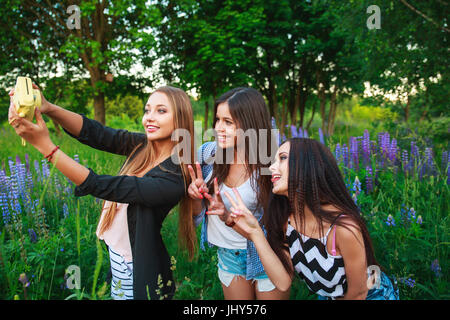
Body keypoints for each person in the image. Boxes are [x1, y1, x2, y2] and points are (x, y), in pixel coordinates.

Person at [8, 84, 196, 300]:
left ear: (181, 119)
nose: (149, 118)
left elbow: (104, 186)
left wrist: (46, 147)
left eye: (161, 111)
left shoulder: (175, 176)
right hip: (118, 258)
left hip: (136, 269)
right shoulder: (145, 146)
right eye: (147, 110)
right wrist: (48, 107)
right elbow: (97, 133)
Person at [225, 138, 399, 300]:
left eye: (283, 158)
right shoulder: (287, 221)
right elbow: (283, 282)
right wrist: (255, 233)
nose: (271, 167)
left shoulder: (344, 228)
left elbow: (359, 292)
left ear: (307, 166)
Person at [186, 87, 289, 300]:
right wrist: (195, 197)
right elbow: (197, 218)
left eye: (229, 122)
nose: (219, 129)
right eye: (218, 120)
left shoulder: (271, 163)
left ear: (250, 124)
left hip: (267, 253)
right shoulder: (208, 154)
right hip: (228, 255)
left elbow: (286, 219)